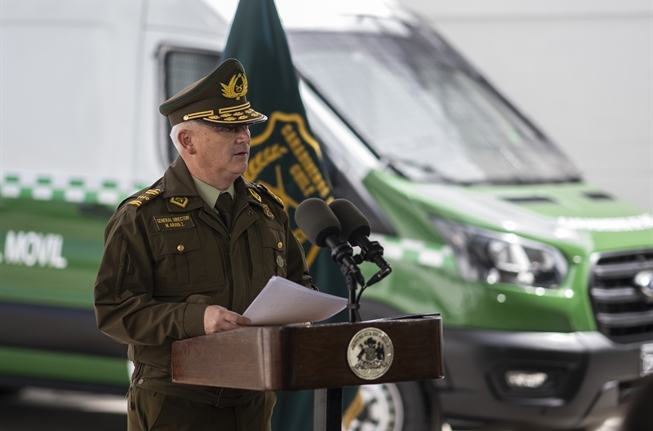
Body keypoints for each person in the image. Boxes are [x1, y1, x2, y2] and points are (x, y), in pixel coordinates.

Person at [94, 58, 316, 431]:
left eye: (245, 125)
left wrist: (301, 312)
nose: (244, 136)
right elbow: (115, 311)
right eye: (229, 127)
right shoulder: (141, 216)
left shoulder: (267, 210)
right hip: (177, 403)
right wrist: (197, 319)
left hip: (253, 401)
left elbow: (298, 284)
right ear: (187, 141)